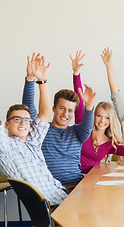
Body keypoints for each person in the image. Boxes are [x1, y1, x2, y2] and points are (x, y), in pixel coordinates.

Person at [0, 54, 67, 206]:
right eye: (17, 119)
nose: (23, 123)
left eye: (27, 120)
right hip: (54, 206)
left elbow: (45, 113)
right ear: (6, 125)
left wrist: (42, 81)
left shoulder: (33, 141)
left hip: (63, 195)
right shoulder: (4, 148)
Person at [22, 51, 96, 187]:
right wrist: (30, 79)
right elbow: (28, 108)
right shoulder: (42, 129)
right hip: (50, 189)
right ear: (53, 108)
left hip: (75, 187)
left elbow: (87, 127)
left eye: (70, 110)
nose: (65, 114)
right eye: (62, 108)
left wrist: (89, 106)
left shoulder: (77, 132)